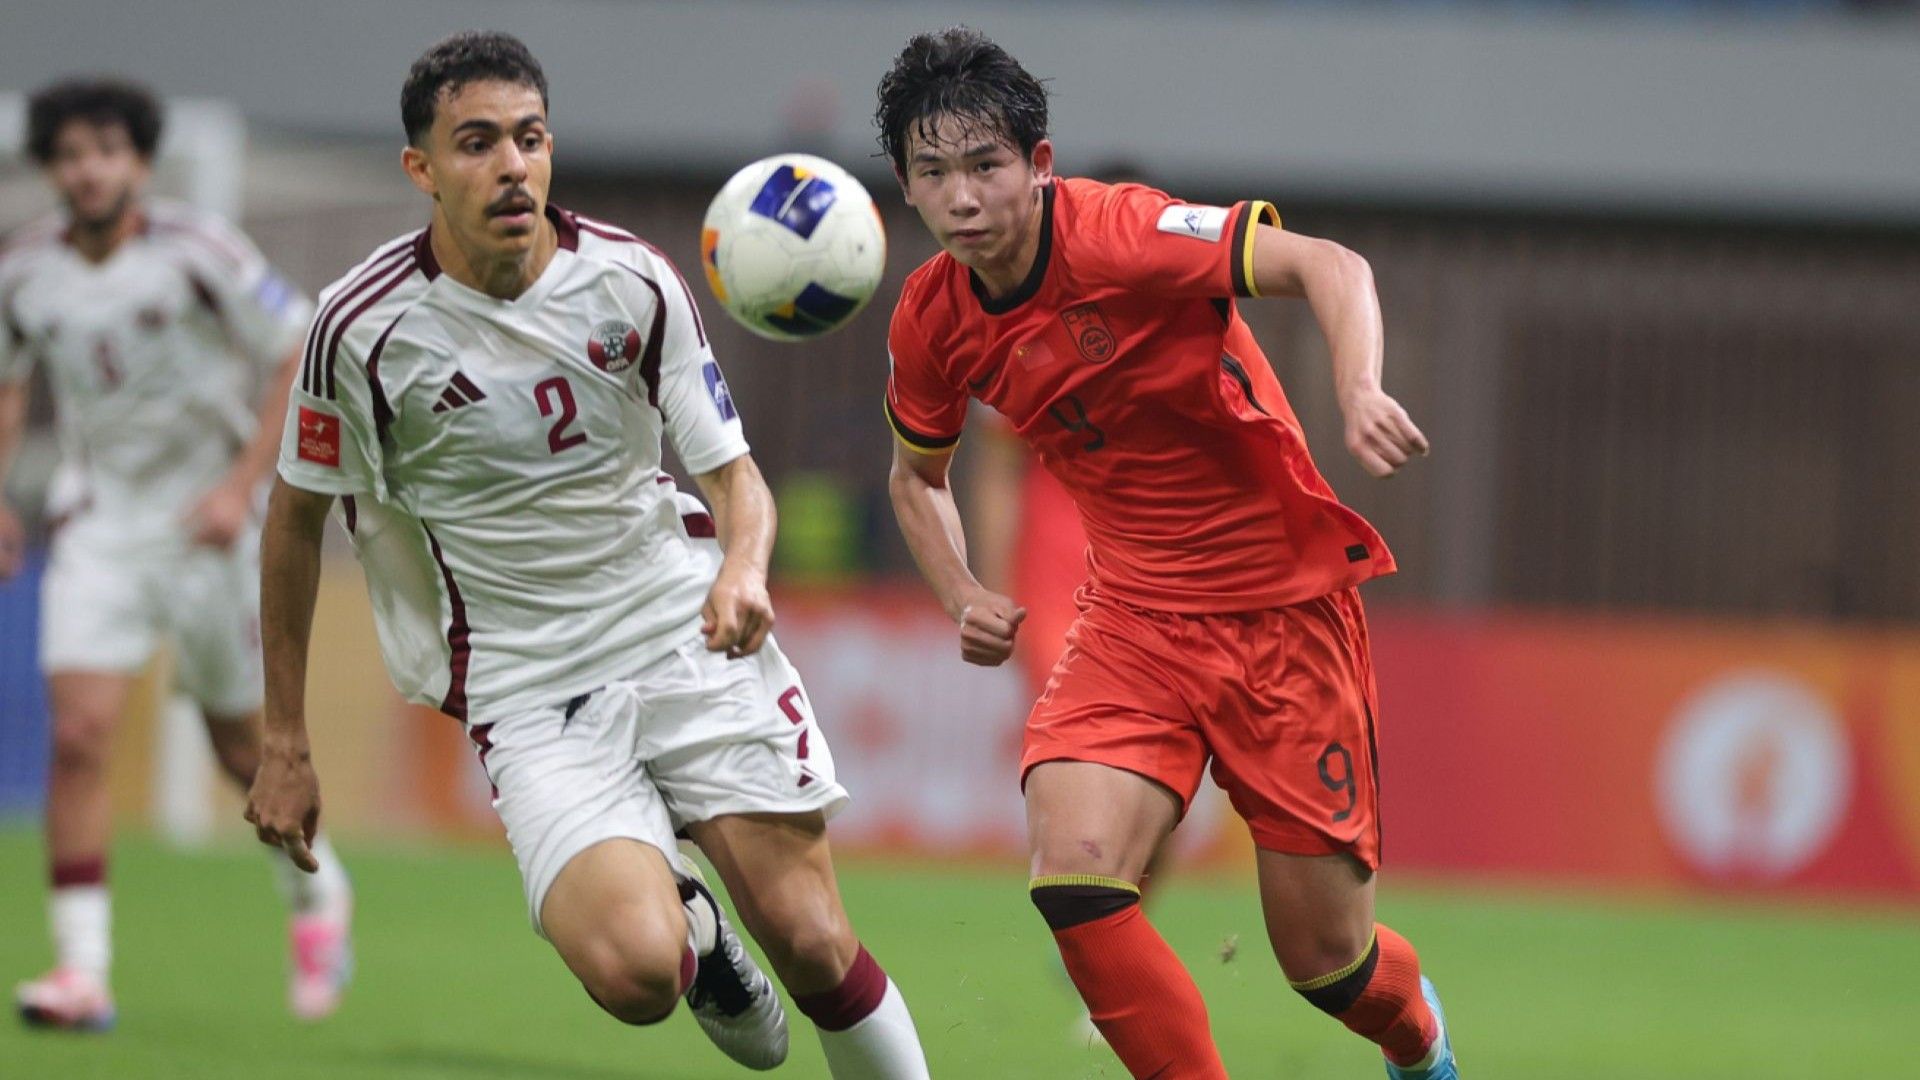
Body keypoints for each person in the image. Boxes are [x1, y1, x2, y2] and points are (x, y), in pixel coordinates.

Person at [243, 31, 928, 1077]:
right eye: (476, 144)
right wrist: (285, 738)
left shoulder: (633, 282)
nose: (512, 166)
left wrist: (743, 569)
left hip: (678, 630)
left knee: (815, 942)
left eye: (529, 138)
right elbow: (292, 521)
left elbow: (735, 477)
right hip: (527, 682)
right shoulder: (362, 328)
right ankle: (693, 936)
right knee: (636, 977)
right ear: (420, 169)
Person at [876, 27, 1460, 1080]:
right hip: (1133, 618)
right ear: (906, 187)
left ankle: (1420, 1040)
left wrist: (1360, 386)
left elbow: (1330, 263)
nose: (962, 196)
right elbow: (915, 477)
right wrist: (961, 588)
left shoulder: (1124, 232)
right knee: (1074, 877)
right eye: (933, 173)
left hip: (1285, 615)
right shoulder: (931, 320)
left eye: (986, 166)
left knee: (1330, 968)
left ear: (1039, 165)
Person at [0, 78, 354, 1031]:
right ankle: (83, 973)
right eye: (71, 154)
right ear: (53, 169)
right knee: (77, 740)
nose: (89, 170)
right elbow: (8, 380)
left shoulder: (199, 252)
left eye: (107, 151)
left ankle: (319, 900)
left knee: (243, 751)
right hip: (99, 525)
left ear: (140, 163)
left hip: (212, 524)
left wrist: (241, 484)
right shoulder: (24, 271)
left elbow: (298, 349)